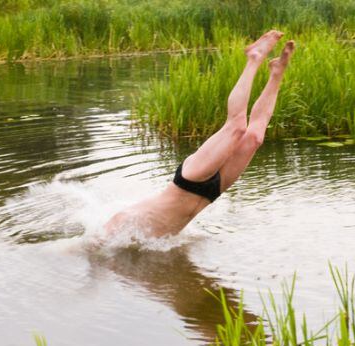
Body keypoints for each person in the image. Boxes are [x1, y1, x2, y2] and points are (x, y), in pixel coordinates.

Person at [104, 30, 295, 238]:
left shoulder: (114, 231)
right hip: (210, 193)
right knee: (255, 137)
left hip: (190, 180)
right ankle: (277, 72)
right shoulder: (114, 235)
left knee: (237, 127)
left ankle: (254, 59)